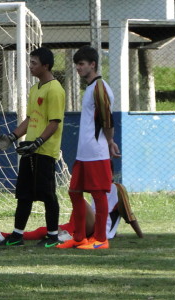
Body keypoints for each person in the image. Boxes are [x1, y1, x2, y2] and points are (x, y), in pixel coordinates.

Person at [0, 47, 66, 248]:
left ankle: (53, 236)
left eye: (34, 63)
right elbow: (31, 118)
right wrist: (12, 137)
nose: (30, 66)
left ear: (46, 65)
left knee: (47, 193)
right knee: (24, 192)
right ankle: (17, 235)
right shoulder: (35, 89)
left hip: (44, 151)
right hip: (30, 149)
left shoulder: (55, 89)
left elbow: (54, 122)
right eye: (30, 62)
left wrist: (39, 142)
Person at [57, 46, 120, 250]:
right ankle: (80, 238)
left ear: (93, 64)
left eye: (82, 64)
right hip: (84, 153)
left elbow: (107, 119)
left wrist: (110, 142)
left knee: (98, 195)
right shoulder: (91, 88)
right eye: (76, 64)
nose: (78, 68)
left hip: (96, 152)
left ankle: (101, 239)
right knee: (75, 192)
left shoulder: (100, 88)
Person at [0, 182, 125, 242]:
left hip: (97, 230)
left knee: (77, 196)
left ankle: (70, 233)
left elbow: (130, 216)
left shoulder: (119, 189)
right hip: (87, 224)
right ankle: (4, 235)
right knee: (45, 230)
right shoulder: (96, 185)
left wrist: (139, 234)